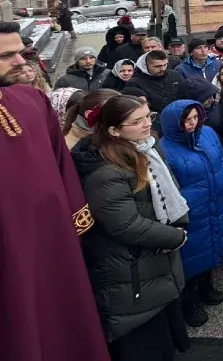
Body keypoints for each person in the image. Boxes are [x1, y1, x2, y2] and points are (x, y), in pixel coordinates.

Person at [0, 21, 110, 361]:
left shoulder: (32, 99)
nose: (21, 62)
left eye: (20, 52)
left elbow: (61, 162)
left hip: (51, 238)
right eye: (6, 56)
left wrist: (75, 219)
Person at [72, 95, 190, 361]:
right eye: (137, 121)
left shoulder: (146, 149)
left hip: (151, 266)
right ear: (114, 131)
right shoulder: (106, 172)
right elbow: (126, 224)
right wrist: (174, 236)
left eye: (148, 116)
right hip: (130, 274)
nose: (147, 124)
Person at [159, 99, 223, 328]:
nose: (192, 123)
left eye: (195, 117)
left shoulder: (207, 133)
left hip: (215, 202)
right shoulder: (165, 149)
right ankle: (189, 301)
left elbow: (221, 157)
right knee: (190, 255)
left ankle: (206, 286)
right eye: (187, 120)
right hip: (192, 211)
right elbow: (169, 185)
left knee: (212, 243)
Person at [123, 51, 184, 121]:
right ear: (145, 65)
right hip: (154, 121)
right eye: (157, 66)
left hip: (181, 117)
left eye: (165, 65)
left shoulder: (175, 75)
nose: (162, 69)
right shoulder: (134, 82)